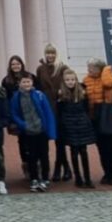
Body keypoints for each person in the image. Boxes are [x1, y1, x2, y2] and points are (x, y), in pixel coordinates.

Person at [9, 72, 56, 192]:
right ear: (19, 83)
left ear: (32, 82)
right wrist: (23, 125)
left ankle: (45, 178)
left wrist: (50, 130)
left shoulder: (40, 95)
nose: (26, 84)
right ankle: (34, 178)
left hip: (41, 130)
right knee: (32, 156)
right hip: (28, 131)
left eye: (28, 81)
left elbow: (47, 112)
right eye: (24, 82)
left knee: (44, 155)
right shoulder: (16, 97)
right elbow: (14, 113)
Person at [35, 44, 72, 182]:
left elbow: (69, 83)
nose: (50, 56)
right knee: (47, 138)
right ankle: (60, 168)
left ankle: (61, 168)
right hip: (46, 106)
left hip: (60, 106)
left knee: (60, 140)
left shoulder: (62, 68)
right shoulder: (41, 69)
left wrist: (63, 93)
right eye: (48, 53)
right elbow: (38, 86)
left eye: (52, 53)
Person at [84, 58, 112, 186]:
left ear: (99, 69)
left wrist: (106, 70)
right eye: (88, 67)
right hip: (95, 115)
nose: (89, 70)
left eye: (92, 67)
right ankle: (107, 172)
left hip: (108, 112)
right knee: (101, 147)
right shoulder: (86, 80)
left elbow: (108, 84)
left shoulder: (108, 77)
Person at [58, 68, 97, 189]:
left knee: (84, 152)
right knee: (74, 152)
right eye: (67, 80)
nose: (70, 82)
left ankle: (87, 178)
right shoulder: (61, 94)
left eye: (72, 79)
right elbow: (60, 111)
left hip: (81, 124)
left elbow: (86, 108)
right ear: (64, 81)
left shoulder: (82, 92)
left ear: (76, 80)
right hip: (69, 125)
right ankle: (78, 177)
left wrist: (86, 121)